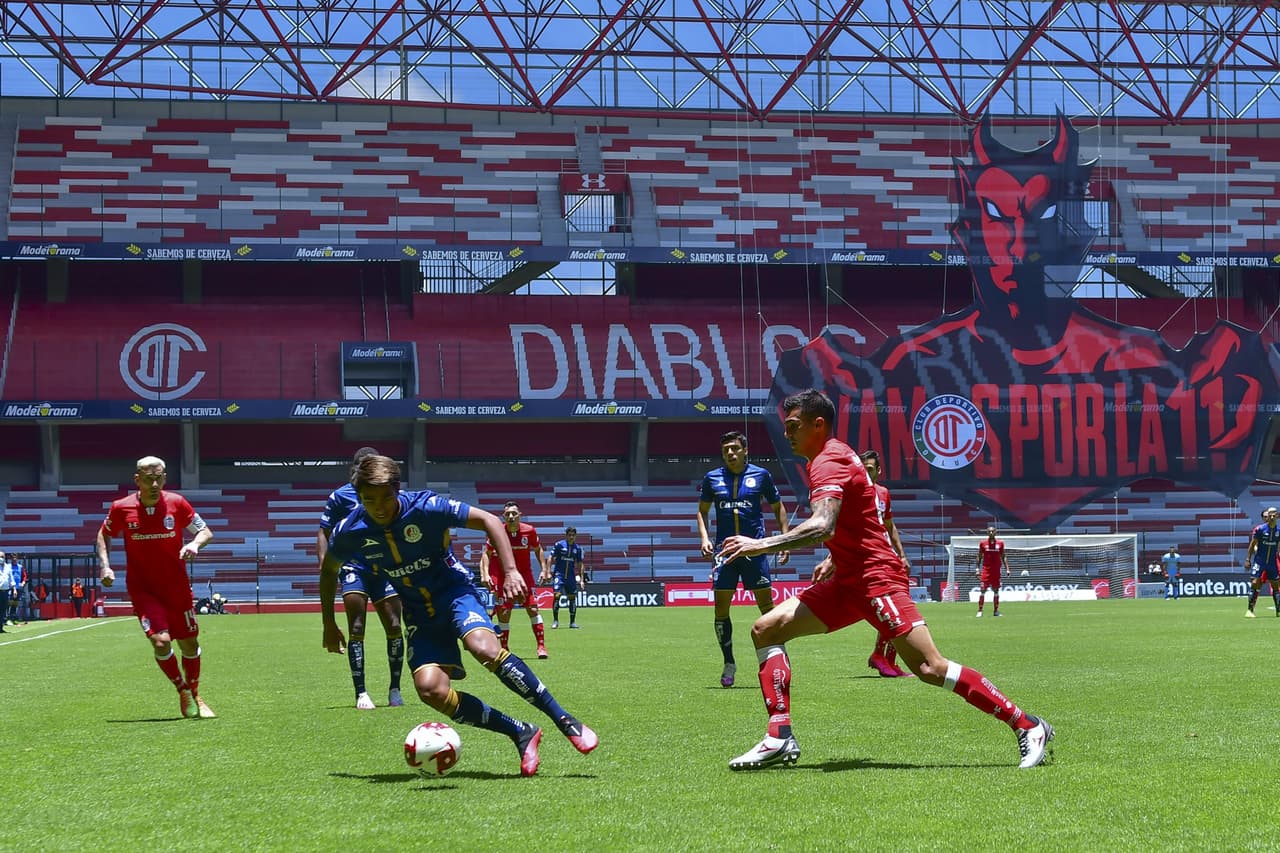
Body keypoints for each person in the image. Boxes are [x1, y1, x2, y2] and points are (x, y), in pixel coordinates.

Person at [718, 389, 1053, 771]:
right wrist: (834, 558)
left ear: (818, 424)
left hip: (877, 580)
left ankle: (1028, 725)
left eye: (793, 426)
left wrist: (759, 545)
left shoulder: (828, 461)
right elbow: (854, 523)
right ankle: (779, 737)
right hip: (848, 580)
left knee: (930, 668)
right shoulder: (834, 457)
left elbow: (823, 525)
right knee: (766, 629)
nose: (787, 433)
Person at [319, 455, 598, 776]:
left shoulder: (426, 507)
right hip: (419, 614)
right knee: (430, 690)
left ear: (397, 490)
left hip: (454, 593)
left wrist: (510, 572)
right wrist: (329, 622)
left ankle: (565, 719)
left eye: (385, 498)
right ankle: (521, 732)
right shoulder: (352, 529)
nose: (378, 507)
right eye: (369, 500)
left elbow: (491, 521)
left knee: (484, 647)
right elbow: (329, 571)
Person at [95, 455, 216, 719]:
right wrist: (105, 565)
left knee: (189, 643)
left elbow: (205, 531)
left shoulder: (177, 503)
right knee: (160, 643)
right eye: (148, 479)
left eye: (158, 477)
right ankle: (183, 690)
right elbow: (104, 533)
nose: (154, 483)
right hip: (143, 589)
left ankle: (195, 692)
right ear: (137, 480)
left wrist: (195, 544)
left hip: (177, 587)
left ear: (164, 477)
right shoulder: (121, 507)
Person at [696, 430, 790, 688]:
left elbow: (777, 506)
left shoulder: (761, 475)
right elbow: (702, 512)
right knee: (720, 610)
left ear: (745, 450)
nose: (730, 453)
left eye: (735, 448)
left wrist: (784, 539)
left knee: (767, 609)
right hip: (725, 553)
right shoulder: (711, 478)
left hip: (754, 551)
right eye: (726, 449)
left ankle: (776, 660)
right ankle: (728, 662)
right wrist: (705, 538)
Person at [318, 446, 406, 710]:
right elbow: (323, 531)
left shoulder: (386, 491)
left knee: (393, 626)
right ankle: (361, 692)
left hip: (385, 568)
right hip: (354, 567)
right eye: (360, 465)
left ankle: (395, 689)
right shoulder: (340, 496)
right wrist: (325, 564)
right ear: (354, 468)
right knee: (357, 627)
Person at [860, 450, 911, 678]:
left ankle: (886, 657)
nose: (865, 473)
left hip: (886, 557)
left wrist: (901, 554)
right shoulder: (855, 493)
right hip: (867, 559)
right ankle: (881, 656)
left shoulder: (883, 493)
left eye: (869, 469)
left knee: (898, 605)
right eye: (863, 468)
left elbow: (889, 526)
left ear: (878, 471)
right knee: (891, 607)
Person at [480, 501, 549, 659]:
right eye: (507, 514)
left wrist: (545, 570)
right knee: (504, 613)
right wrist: (485, 573)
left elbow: (538, 550)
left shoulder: (529, 531)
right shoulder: (497, 532)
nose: (511, 516)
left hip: (524, 576)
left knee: (532, 609)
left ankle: (541, 646)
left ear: (519, 516)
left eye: (514, 514)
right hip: (504, 577)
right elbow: (486, 554)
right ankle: (504, 648)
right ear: (504, 517)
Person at [542, 527, 585, 629]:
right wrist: (548, 572)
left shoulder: (578, 548)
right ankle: (555, 621)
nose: (571, 537)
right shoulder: (559, 545)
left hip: (570, 576)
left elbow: (580, 563)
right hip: (559, 575)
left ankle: (572, 622)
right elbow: (550, 557)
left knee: (572, 598)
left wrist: (582, 579)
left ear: (575, 536)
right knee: (557, 596)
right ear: (566, 535)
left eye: (573, 535)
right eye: (569, 535)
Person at [1244, 507, 1280, 618]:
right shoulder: (1260, 529)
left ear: (1277, 516)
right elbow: (1252, 544)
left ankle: (1278, 610)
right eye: (1270, 515)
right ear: (1267, 517)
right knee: (1255, 583)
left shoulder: (1279, 531)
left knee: (1275, 585)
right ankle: (1250, 610)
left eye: (1274, 515)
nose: (1272, 517)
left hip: (1272, 562)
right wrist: (1248, 559)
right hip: (1260, 561)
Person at [975, 526, 1009, 617]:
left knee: (996, 591)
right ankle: (980, 610)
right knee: (982, 590)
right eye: (989, 531)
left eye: (992, 531)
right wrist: (977, 569)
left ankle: (996, 611)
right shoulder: (983, 543)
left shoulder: (1000, 543)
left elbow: (1003, 556)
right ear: (987, 533)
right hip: (986, 570)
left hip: (996, 571)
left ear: (995, 532)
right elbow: (979, 556)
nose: (991, 533)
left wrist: (1007, 568)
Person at [0, 553, 13, 632]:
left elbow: (11, 579)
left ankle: (0, 628)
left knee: (3, 610)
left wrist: (14, 589)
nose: (1, 558)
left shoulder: (8, 567)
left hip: (5, 592)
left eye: (2, 557)